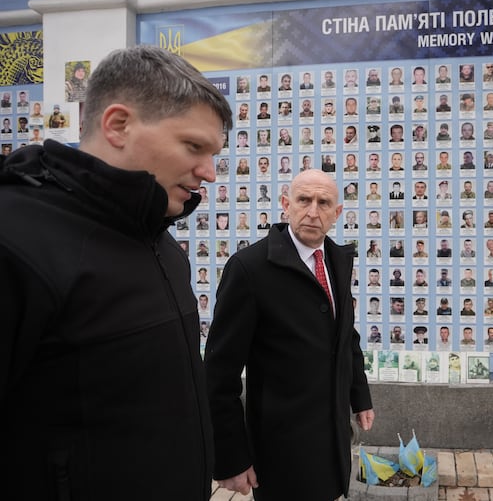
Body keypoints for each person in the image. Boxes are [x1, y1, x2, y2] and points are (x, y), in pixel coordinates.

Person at [0, 46, 233, 499]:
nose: (209, 173)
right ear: (118, 125)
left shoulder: (164, 244)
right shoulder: (14, 239)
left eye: (214, 154)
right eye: (194, 146)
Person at [205, 169, 374, 500]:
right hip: (280, 450)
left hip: (332, 439)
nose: (313, 212)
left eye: (324, 203)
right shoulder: (249, 268)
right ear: (285, 204)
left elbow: (345, 335)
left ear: (337, 213)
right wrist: (230, 459)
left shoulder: (337, 260)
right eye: (303, 200)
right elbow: (218, 374)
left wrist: (360, 394)